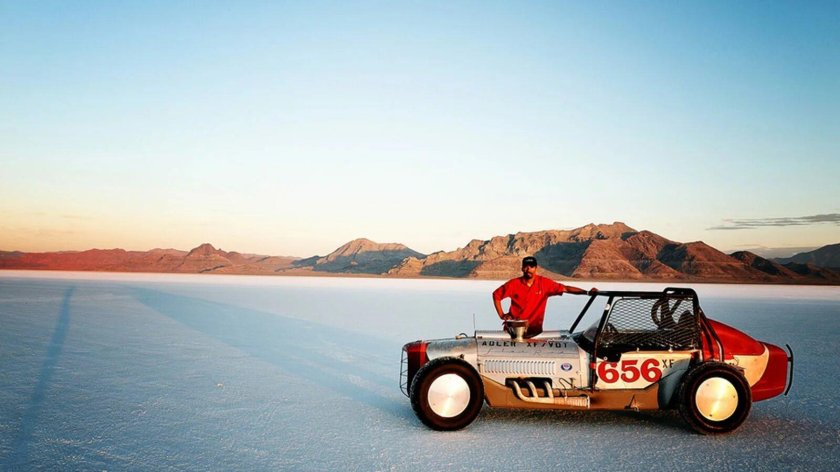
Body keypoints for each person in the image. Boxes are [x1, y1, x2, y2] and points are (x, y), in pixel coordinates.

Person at [492, 256, 597, 338]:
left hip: (535, 332)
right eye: (526, 266)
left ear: (536, 268)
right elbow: (496, 295)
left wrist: (587, 292)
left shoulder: (544, 283)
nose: (529, 269)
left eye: (532, 267)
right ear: (522, 268)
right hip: (513, 332)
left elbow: (566, 288)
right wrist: (502, 315)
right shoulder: (514, 284)